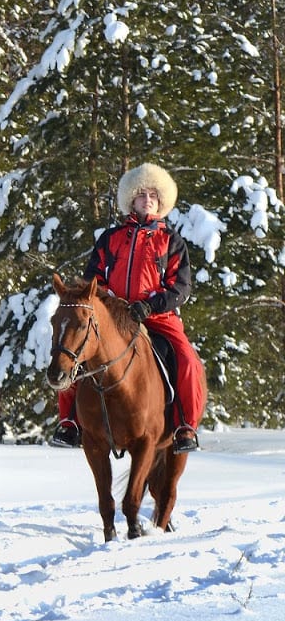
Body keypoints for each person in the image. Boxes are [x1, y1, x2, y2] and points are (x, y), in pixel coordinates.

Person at [50, 163, 205, 453]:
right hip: (113, 317)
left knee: (187, 360)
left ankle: (185, 425)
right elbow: (93, 281)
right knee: (74, 351)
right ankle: (69, 422)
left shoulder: (172, 241)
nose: (147, 199)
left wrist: (149, 306)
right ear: (131, 200)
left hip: (158, 317)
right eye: (141, 194)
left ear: (161, 203)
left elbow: (180, 287)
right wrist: (110, 302)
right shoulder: (110, 238)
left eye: (153, 196)